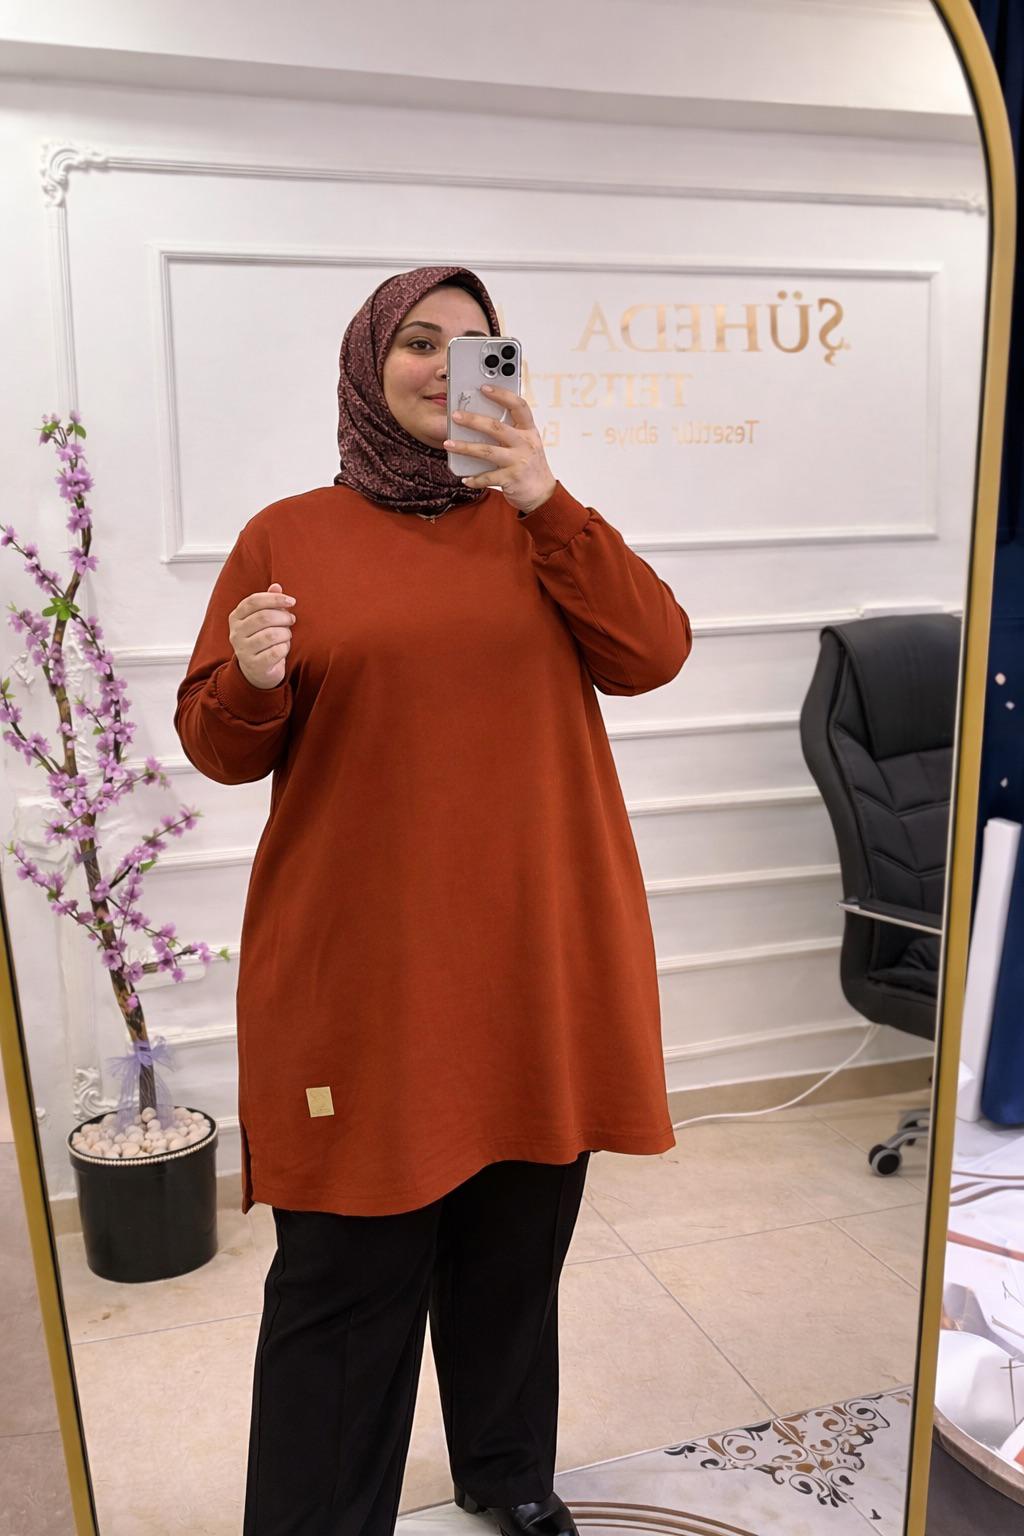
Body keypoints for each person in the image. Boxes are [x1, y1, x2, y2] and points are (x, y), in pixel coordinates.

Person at [174, 265, 693, 1536]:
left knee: (514, 1255)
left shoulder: (541, 527)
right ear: (370, 362)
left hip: (532, 963)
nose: (441, 365)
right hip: (364, 977)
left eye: (473, 345)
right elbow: (218, 746)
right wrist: (248, 678)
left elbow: (652, 653)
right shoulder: (288, 534)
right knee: (344, 1280)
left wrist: (544, 497)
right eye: (417, 340)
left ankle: (507, 1477)